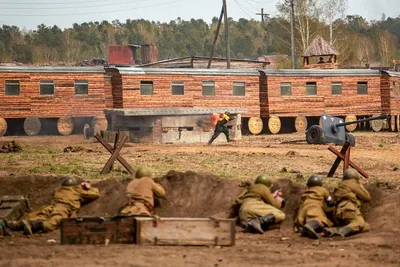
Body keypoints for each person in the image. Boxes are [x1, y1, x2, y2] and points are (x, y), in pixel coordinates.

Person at [4, 177, 99, 236]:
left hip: (50, 207)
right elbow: (95, 194)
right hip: (63, 208)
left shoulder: (59, 190)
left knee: (39, 217)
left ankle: (15, 224)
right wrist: (87, 187)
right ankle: (35, 225)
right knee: (51, 224)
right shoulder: (76, 189)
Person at [324, 168, 371, 238]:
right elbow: (367, 198)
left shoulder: (341, 184)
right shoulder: (352, 183)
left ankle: (334, 230)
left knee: (365, 226)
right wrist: (360, 185)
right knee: (359, 222)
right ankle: (342, 232)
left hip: (338, 212)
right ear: (356, 177)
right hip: (348, 208)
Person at [295, 174, 334, 239]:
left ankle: (303, 228)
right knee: (320, 220)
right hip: (314, 207)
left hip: (303, 210)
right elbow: (330, 202)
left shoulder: (306, 192)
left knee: (305, 219)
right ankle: (309, 226)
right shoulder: (322, 190)